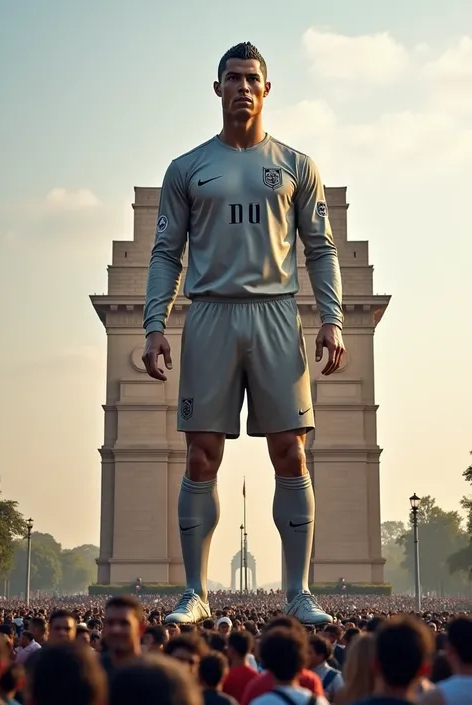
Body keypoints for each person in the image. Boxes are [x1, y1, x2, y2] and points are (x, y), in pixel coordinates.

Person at [143, 40, 345, 626]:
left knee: (291, 450)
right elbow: (165, 253)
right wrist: (155, 324)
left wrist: (332, 318)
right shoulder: (186, 169)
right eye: (232, 78)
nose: (242, 87)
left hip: (277, 314)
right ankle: (195, 591)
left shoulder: (297, 166)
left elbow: (321, 248)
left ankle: (298, 591)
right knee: (201, 454)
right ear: (217, 88)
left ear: (267, 88)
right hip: (208, 314)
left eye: (252, 78)